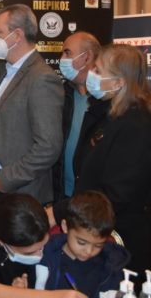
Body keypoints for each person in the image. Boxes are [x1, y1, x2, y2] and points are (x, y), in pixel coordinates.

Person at [48, 44, 151, 291]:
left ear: (119, 81)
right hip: (105, 232)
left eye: (98, 70)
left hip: (124, 240)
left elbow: (117, 194)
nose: (92, 74)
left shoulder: (136, 124)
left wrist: (61, 211)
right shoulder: (112, 114)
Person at [0, 4, 64, 204]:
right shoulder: (10, 71)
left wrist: (9, 178)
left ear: (17, 35)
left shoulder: (41, 78)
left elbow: (49, 146)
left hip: (18, 190)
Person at [35, 191, 129, 298]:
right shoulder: (44, 256)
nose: (89, 251)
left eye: (98, 245)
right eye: (81, 242)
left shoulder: (110, 265)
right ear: (65, 227)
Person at [54, 32, 101, 201]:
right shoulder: (60, 95)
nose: (62, 59)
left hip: (95, 200)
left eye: (67, 53)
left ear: (87, 57)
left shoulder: (106, 97)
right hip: (63, 195)